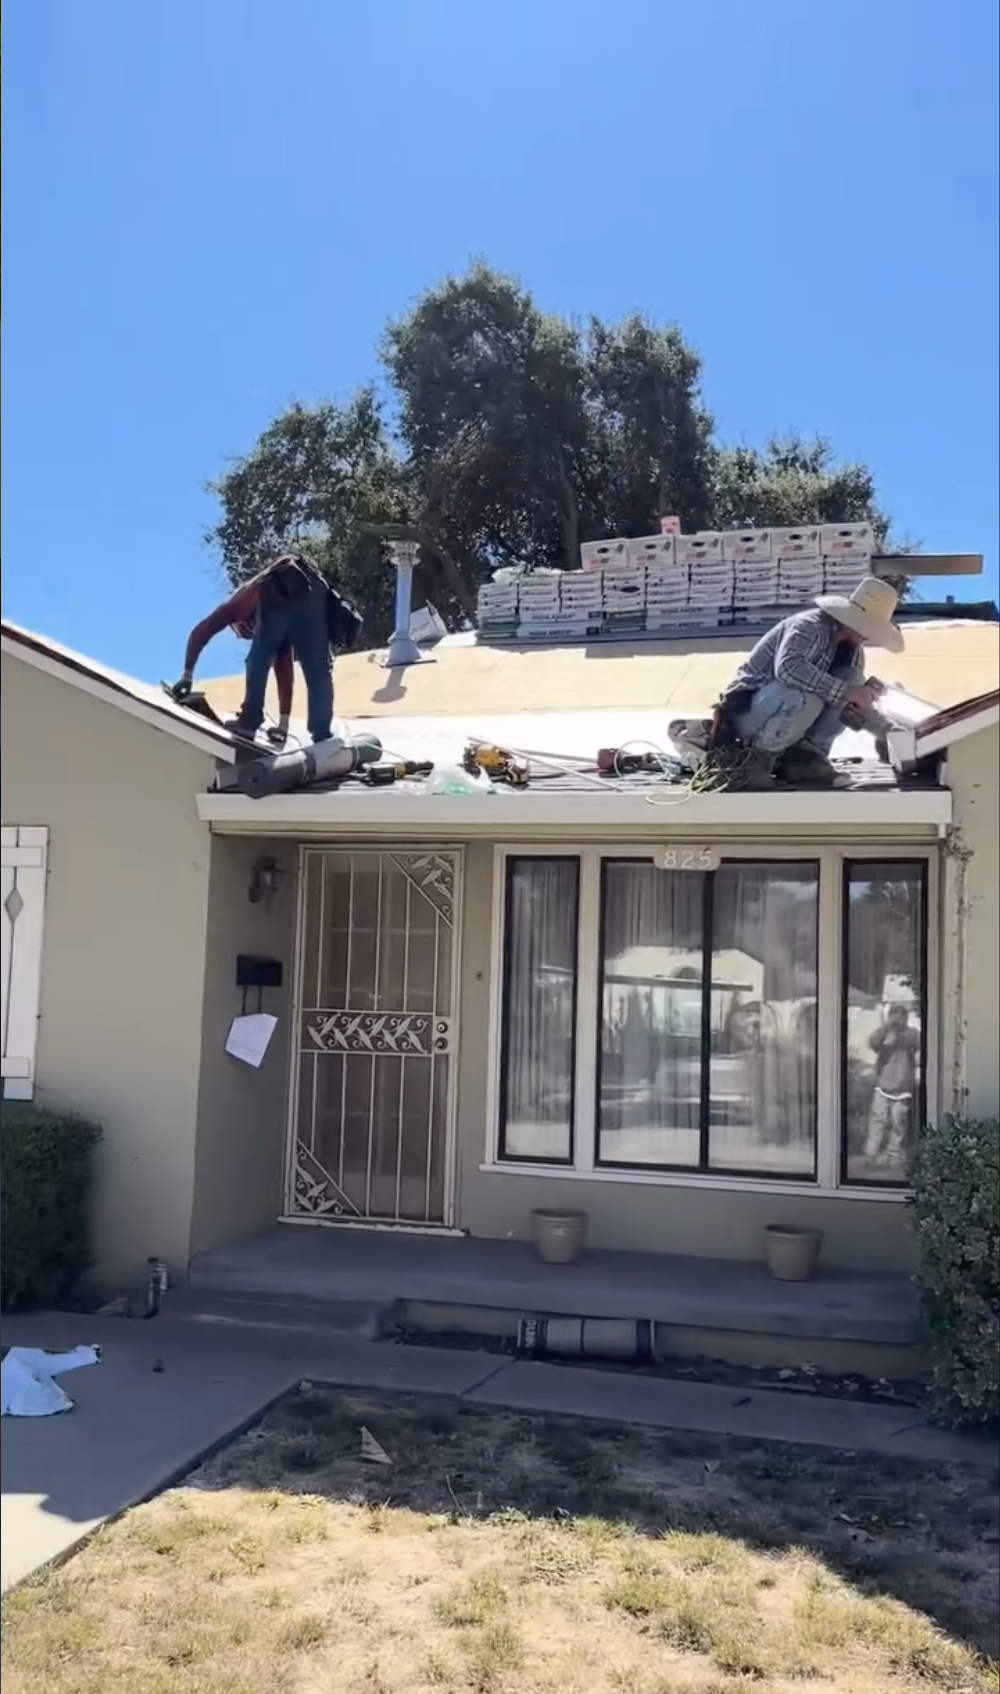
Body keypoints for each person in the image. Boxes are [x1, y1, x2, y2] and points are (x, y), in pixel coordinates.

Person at [720, 576, 904, 788]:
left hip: (788, 722)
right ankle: (755, 760)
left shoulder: (853, 652)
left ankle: (804, 759)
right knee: (807, 698)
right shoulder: (808, 626)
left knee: (851, 678)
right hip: (747, 713)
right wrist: (847, 691)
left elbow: (850, 703)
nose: (867, 638)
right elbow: (789, 669)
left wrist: (883, 729)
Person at [172, 555, 352, 745]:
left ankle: (248, 722)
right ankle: (322, 734)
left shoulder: (237, 604)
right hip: (315, 588)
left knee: (257, 659)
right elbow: (284, 669)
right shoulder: (273, 621)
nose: (249, 634)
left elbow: (200, 632)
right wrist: (283, 725)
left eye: (244, 633)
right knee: (318, 669)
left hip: (286, 579)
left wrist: (187, 675)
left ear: (237, 624)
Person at [865, 1002, 920, 1167]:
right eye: (893, 1016)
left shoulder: (912, 1034)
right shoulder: (883, 1033)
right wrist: (887, 1028)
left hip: (902, 1087)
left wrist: (900, 1032)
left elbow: (917, 1044)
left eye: (900, 1016)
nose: (897, 1019)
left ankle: (894, 1154)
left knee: (898, 1123)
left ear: (906, 1018)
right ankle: (871, 1154)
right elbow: (872, 1042)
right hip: (883, 1085)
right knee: (878, 1121)